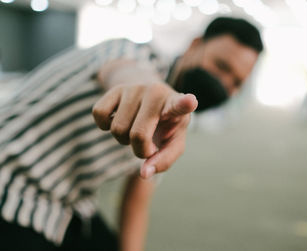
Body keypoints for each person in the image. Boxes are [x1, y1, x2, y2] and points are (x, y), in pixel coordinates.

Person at [0, 17, 263, 251]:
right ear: (195, 44)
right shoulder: (133, 52)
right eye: (221, 66)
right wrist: (147, 90)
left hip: (67, 203)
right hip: (9, 182)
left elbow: (136, 202)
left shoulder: (176, 118)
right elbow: (125, 73)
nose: (224, 83)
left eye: (236, 82)